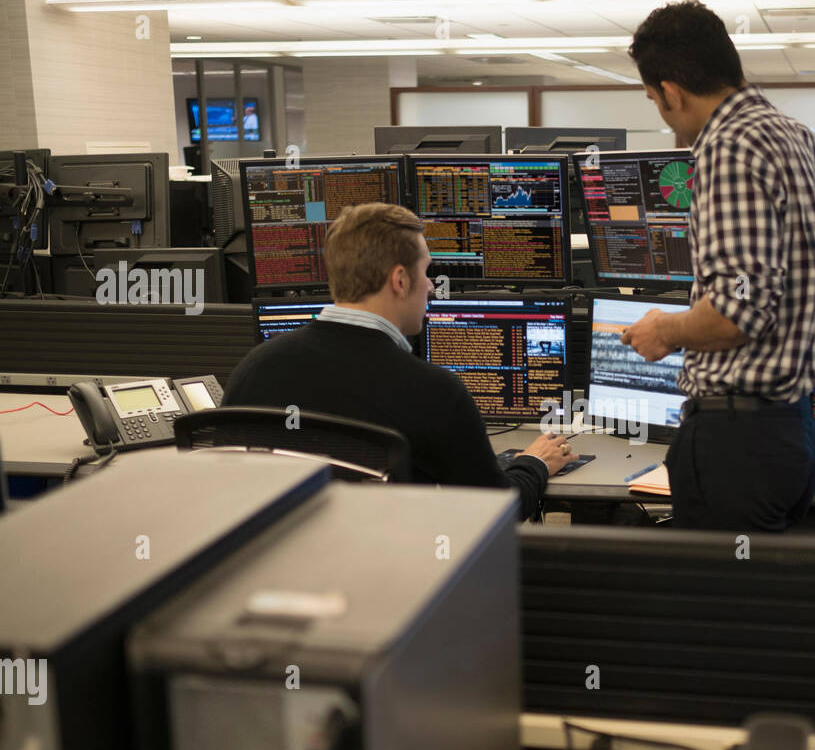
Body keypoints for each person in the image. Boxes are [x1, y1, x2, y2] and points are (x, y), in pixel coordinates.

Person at [619, 1, 815, 532]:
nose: (662, 115)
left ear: (672, 92)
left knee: (714, 611)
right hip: (793, 434)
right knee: (751, 608)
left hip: (738, 445)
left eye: (654, 101)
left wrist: (665, 331)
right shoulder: (809, 145)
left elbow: (737, 313)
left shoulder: (728, 149)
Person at [222, 202, 576, 518]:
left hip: (272, 576)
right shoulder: (435, 392)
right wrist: (534, 463)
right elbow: (493, 510)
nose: (432, 287)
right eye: (426, 272)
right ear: (401, 280)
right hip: (396, 580)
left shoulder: (253, 368)